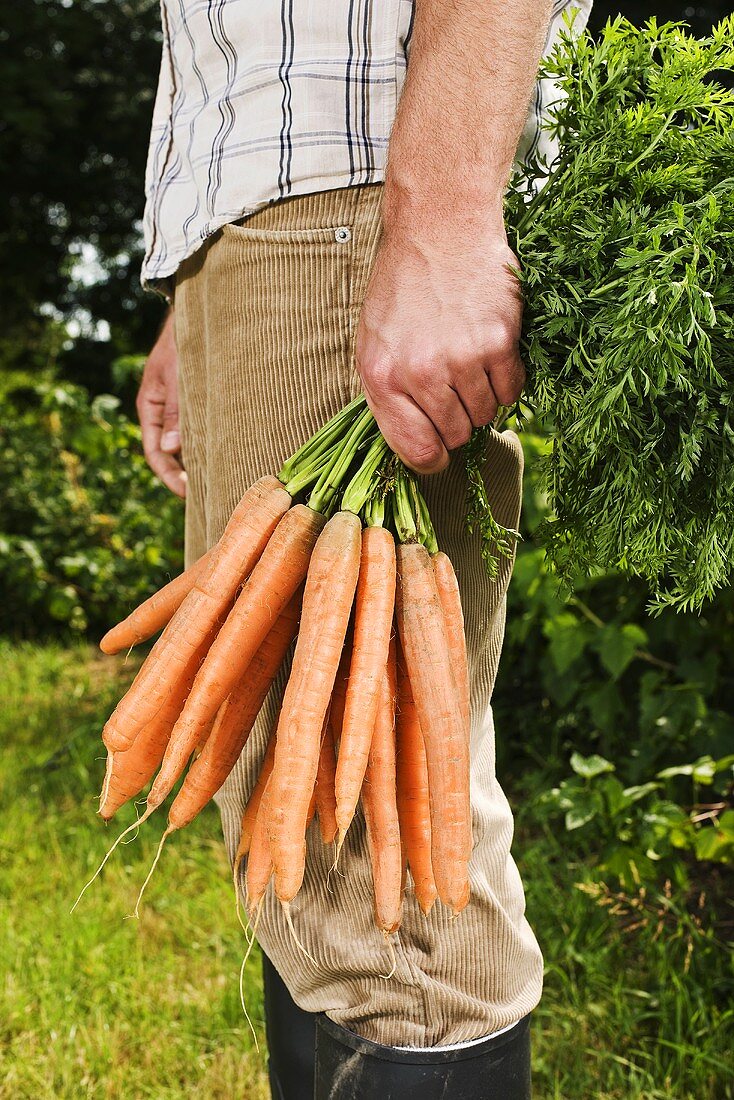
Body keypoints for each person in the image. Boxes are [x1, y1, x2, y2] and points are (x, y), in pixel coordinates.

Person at [136, 2, 591, 1096]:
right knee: (294, 832)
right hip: (260, 194)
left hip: (366, 171)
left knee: (385, 915)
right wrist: (192, 293)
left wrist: (437, 215)